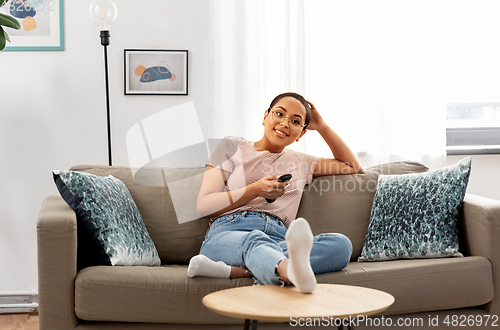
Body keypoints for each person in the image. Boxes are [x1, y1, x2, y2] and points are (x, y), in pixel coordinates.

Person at [187, 92, 363, 293]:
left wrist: (322, 127)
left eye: (296, 121)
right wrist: (255, 190)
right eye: (279, 114)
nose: (285, 123)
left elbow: (352, 166)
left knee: (341, 245)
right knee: (254, 240)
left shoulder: (303, 162)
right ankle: (290, 271)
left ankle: (241, 271)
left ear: (302, 133)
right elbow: (203, 206)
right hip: (229, 233)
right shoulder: (230, 146)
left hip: (278, 237)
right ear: (265, 116)